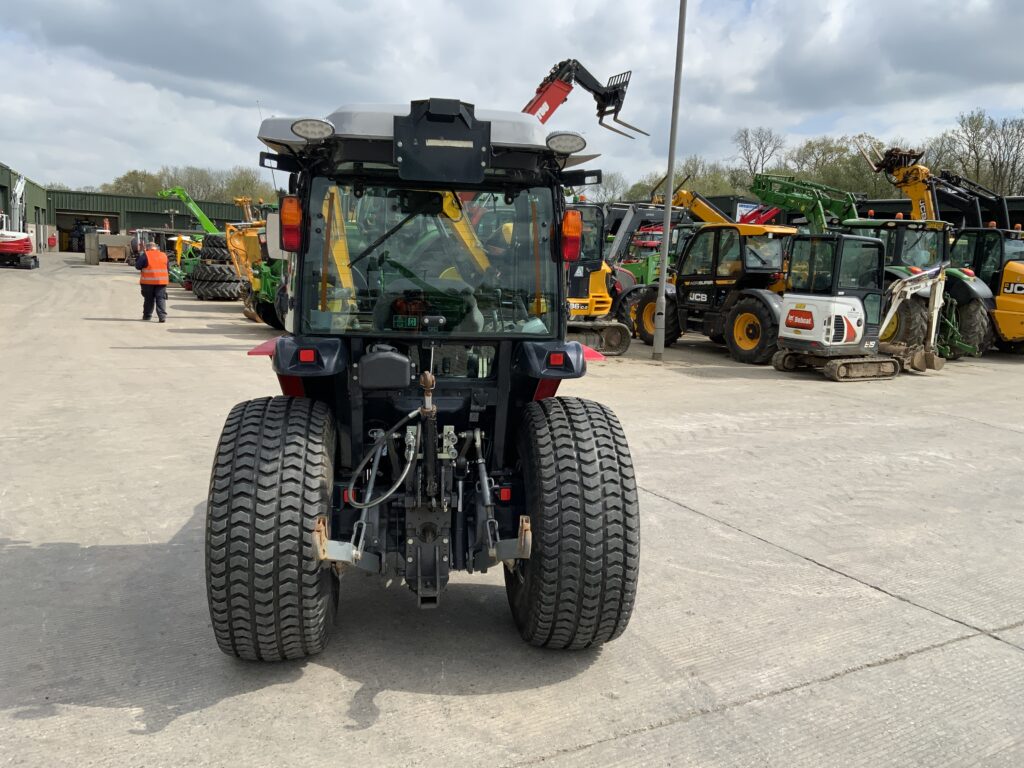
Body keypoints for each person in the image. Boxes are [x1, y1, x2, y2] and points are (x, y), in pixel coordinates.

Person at [134, 240, 169, 322]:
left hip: (148, 283)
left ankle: (147, 316)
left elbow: (138, 266)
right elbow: (168, 268)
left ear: (147, 248)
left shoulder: (145, 255)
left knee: (149, 299)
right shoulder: (164, 255)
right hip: (161, 282)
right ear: (156, 248)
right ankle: (162, 317)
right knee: (161, 299)